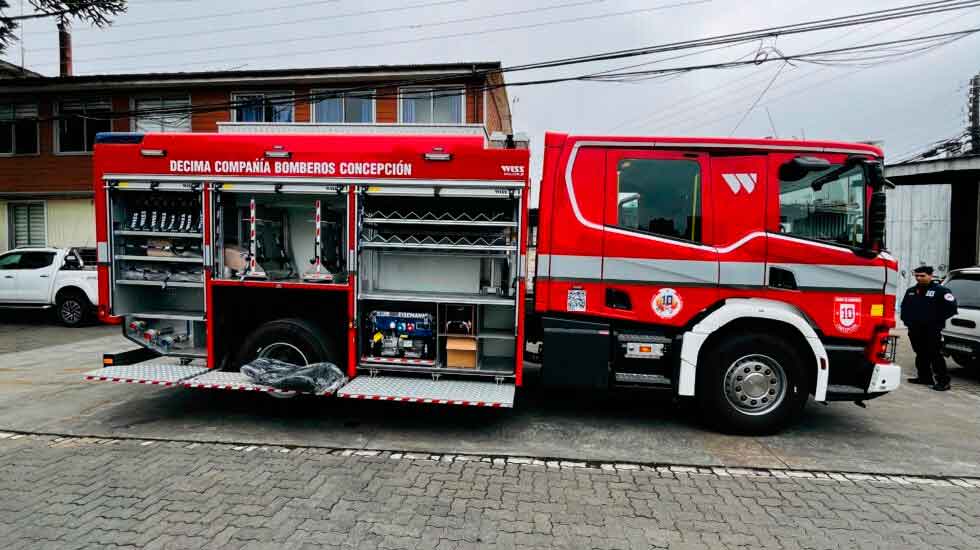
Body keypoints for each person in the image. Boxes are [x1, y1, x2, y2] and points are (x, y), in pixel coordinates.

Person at [900, 265, 957, 391]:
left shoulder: (941, 291)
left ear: (930, 276)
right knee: (920, 354)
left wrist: (935, 320)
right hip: (915, 329)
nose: (919, 278)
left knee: (934, 354)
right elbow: (904, 308)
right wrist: (907, 322)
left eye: (922, 276)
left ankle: (943, 381)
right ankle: (924, 377)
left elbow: (952, 308)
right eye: (917, 276)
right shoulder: (911, 291)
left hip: (932, 330)